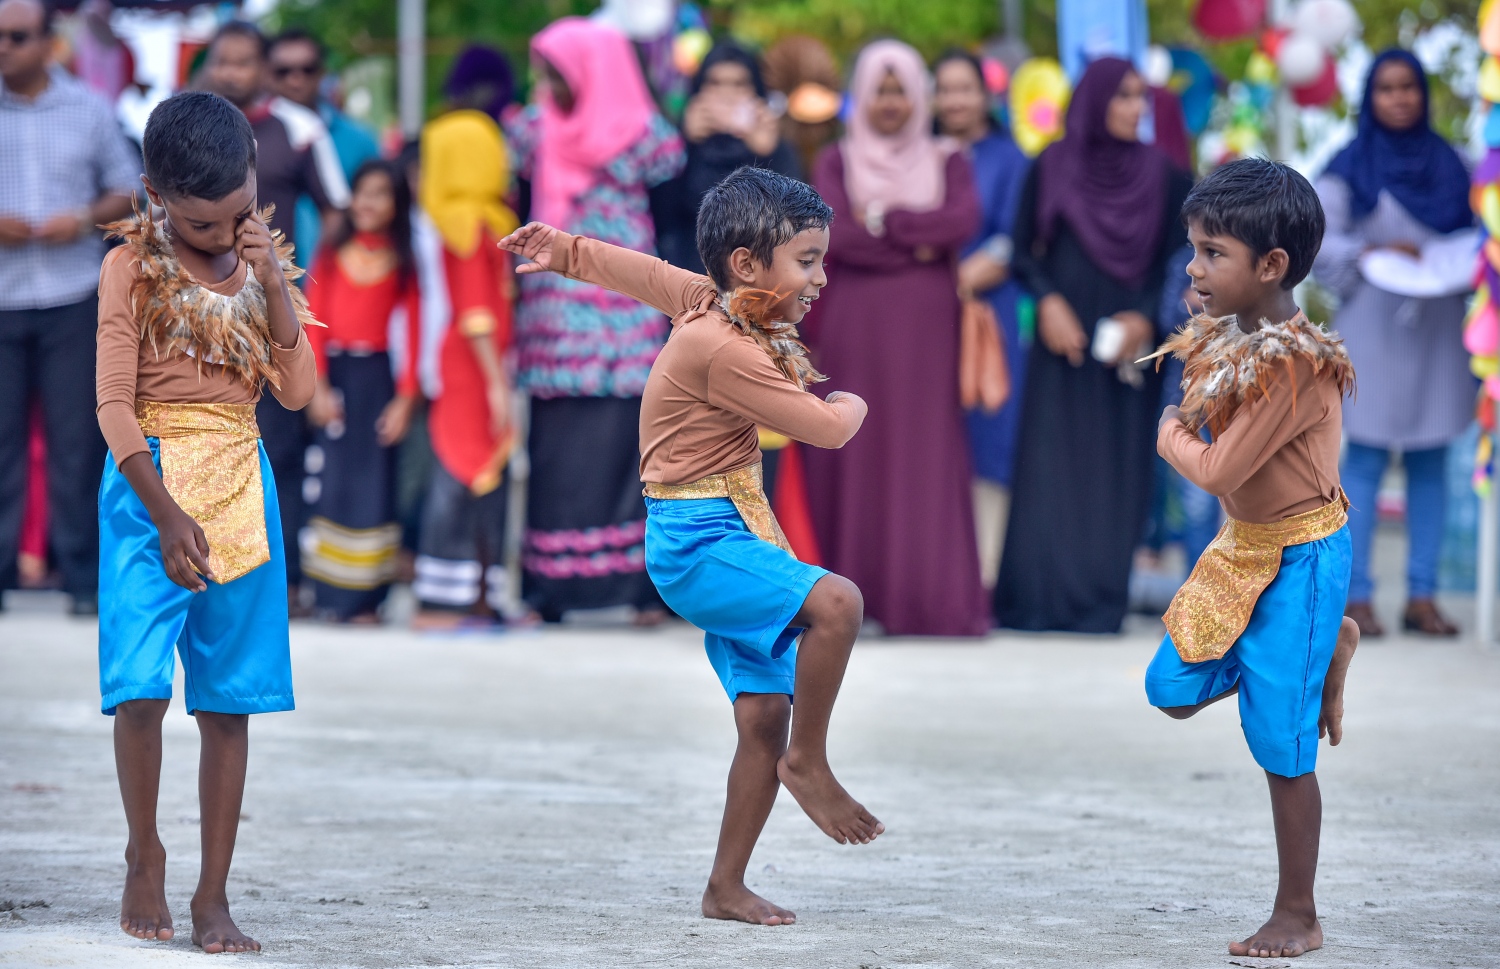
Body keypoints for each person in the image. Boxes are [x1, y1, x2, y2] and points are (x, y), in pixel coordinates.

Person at [499, 165, 884, 928]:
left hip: (732, 529)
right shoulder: (724, 345)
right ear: (747, 264)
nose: (820, 276)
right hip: (697, 540)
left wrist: (567, 249)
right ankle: (810, 759)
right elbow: (828, 428)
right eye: (806, 260)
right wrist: (856, 398)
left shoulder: (709, 301)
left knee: (760, 719)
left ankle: (725, 886)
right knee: (838, 602)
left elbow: (635, 271)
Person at [95, 91, 316, 954]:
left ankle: (212, 891)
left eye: (236, 216)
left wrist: (269, 282)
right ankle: (143, 849)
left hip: (240, 478)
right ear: (152, 193)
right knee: (142, 682)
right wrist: (164, 513)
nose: (222, 235)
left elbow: (298, 393)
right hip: (146, 484)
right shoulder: (133, 269)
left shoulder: (262, 266)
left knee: (230, 699)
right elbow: (114, 407)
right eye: (199, 224)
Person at [1144, 158, 1360, 960]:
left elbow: (1215, 469)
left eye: (1211, 253)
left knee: (1280, 741)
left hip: (1301, 560)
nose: (1194, 269)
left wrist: (1168, 430)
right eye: (1193, 249)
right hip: (1241, 549)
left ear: (1271, 267)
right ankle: (1316, 655)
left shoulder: (1298, 362)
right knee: (1168, 688)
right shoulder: (1229, 334)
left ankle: (1297, 911)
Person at [996, 57, 1192, 633]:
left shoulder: (1165, 175)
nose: (1136, 108)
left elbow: (1176, 262)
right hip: (1062, 343)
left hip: (1126, 351)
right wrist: (1048, 302)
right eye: (1124, 97)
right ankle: (1034, 601)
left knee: (1115, 468)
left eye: (1141, 98)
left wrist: (1144, 318)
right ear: (1094, 101)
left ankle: (1097, 602)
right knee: (1050, 467)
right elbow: (1021, 251)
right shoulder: (1052, 164)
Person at [803, 39, 988, 636]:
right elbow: (833, 232)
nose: (889, 102)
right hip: (854, 322)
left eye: (900, 89)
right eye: (878, 90)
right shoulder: (837, 156)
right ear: (859, 94)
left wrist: (887, 221)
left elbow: (961, 220)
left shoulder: (947, 158)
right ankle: (852, 600)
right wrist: (918, 241)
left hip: (927, 329)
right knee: (852, 440)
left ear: (919, 95)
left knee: (922, 449)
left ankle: (922, 600)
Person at [506, 18, 685, 623]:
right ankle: (547, 591)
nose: (549, 84)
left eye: (559, 73)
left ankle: (638, 593)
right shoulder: (532, 132)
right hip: (556, 321)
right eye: (546, 72)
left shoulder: (648, 138)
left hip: (628, 317)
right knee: (557, 455)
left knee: (627, 454)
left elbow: (669, 226)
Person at [1314, 50, 1475, 638]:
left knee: (1433, 458)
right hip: (1372, 327)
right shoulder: (1347, 166)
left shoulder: (1454, 166)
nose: (1400, 98)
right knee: (1366, 459)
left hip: (1439, 330)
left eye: (1409, 87)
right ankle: (1357, 598)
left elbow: (1484, 234)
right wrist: (1375, 255)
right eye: (1386, 88)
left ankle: (1423, 597)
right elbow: (1319, 244)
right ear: (1369, 97)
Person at [203, 21, 350, 613]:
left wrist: (300, 276)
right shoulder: (190, 125)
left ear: (263, 70)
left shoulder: (300, 129)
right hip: (202, 311)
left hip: (272, 310)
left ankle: (281, 582)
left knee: (278, 443)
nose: (233, 72)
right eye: (223, 61)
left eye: (245, 62)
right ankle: (212, 571)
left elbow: (338, 208)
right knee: (209, 434)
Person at [0, 0, 138, 615]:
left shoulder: (87, 109)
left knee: (78, 442)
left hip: (72, 297)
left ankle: (82, 577)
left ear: (48, 40)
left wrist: (82, 219)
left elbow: (130, 191)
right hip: (2, 297)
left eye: (17, 36)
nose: (5, 47)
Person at [409, 50, 518, 625]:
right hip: (475, 363)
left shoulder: (452, 220)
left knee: (470, 471)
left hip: (466, 359)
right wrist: (499, 384)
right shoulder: (471, 226)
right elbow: (477, 312)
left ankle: (468, 593)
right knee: (464, 470)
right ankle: (447, 598)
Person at [302, 160, 420, 621]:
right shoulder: (331, 252)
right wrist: (317, 387)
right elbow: (312, 321)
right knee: (332, 483)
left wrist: (406, 398)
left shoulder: (405, 260)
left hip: (379, 380)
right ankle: (329, 594)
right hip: (336, 377)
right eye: (362, 192)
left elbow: (414, 331)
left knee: (376, 486)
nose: (368, 202)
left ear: (397, 205)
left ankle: (368, 598)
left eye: (381, 194)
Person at [932, 48, 1032, 591]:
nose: (954, 99)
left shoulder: (1009, 158)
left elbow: (1014, 237)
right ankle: (933, 571)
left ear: (985, 95)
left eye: (964, 87)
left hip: (987, 315)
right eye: (944, 88)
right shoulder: (918, 151)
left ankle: (986, 577)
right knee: (929, 434)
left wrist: (956, 279)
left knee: (990, 432)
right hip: (922, 320)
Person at [653, 41, 800, 274]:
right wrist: (683, 142)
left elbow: (792, 224)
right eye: (715, 83)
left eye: (739, 84)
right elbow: (661, 215)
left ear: (757, 91)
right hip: (687, 279)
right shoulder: (678, 143)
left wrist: (768, 155)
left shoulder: (774, 146)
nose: (727, 94)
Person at [267, 28, 380, 270]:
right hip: (265, 288)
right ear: (267, 74)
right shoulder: (250, 138)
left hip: (342, 282)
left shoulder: (360, 141)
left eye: (307, 69)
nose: (295, 79)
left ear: (322, 72)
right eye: (283, 71)